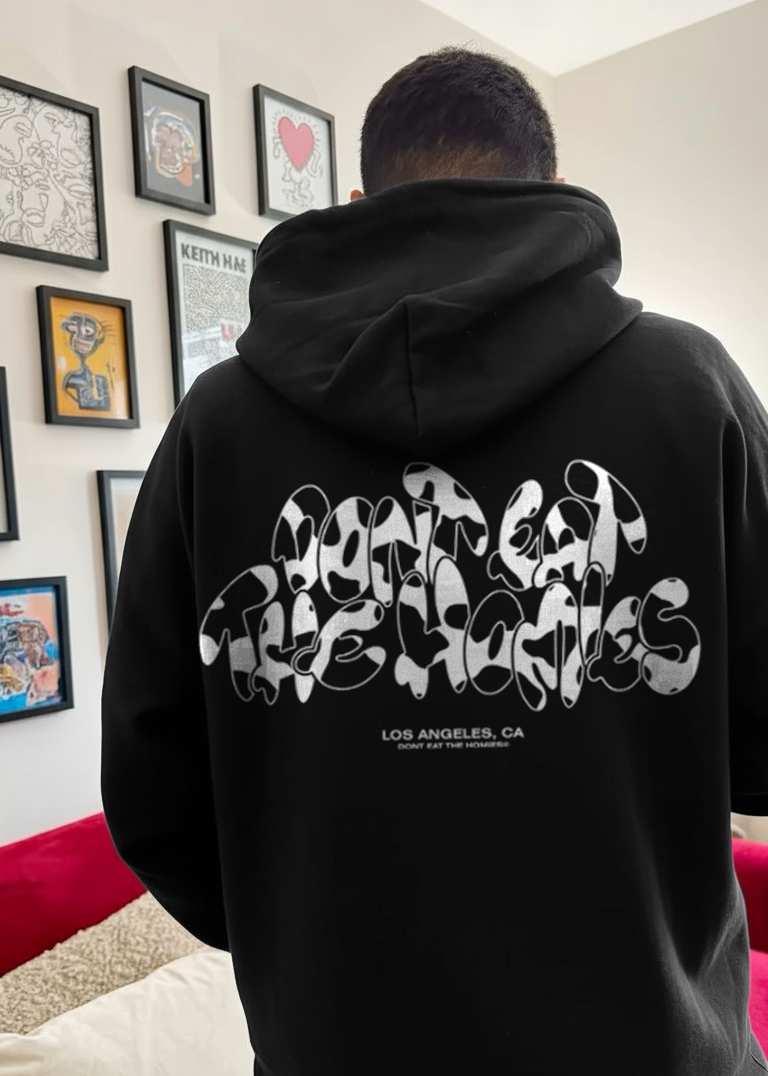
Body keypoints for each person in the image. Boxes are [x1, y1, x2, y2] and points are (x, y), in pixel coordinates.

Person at [100, 44, 768, 1076]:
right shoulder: (693, 388)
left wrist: (300, 937)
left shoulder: (215, 425)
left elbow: (149, 785)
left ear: (359, 201)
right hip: (652, 1045)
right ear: (550, 190)